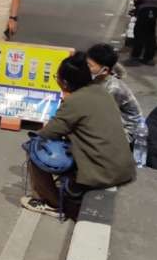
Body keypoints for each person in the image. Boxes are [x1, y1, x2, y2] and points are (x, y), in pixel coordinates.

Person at [21, 52, 136, 219]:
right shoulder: (102, 91)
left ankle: (52, 203)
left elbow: (47, 133)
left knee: (34, 147)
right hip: (124, 168)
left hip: (103, 173)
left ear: (65, 82)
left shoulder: (73, 102)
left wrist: (65, 100)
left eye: (57, 77)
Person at [85, 44, 143, 142]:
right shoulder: (101, 75)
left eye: (89, 65)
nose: (85, 68)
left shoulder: (112, 89)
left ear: (105, 70)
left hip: (127, 130)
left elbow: (99, 116)